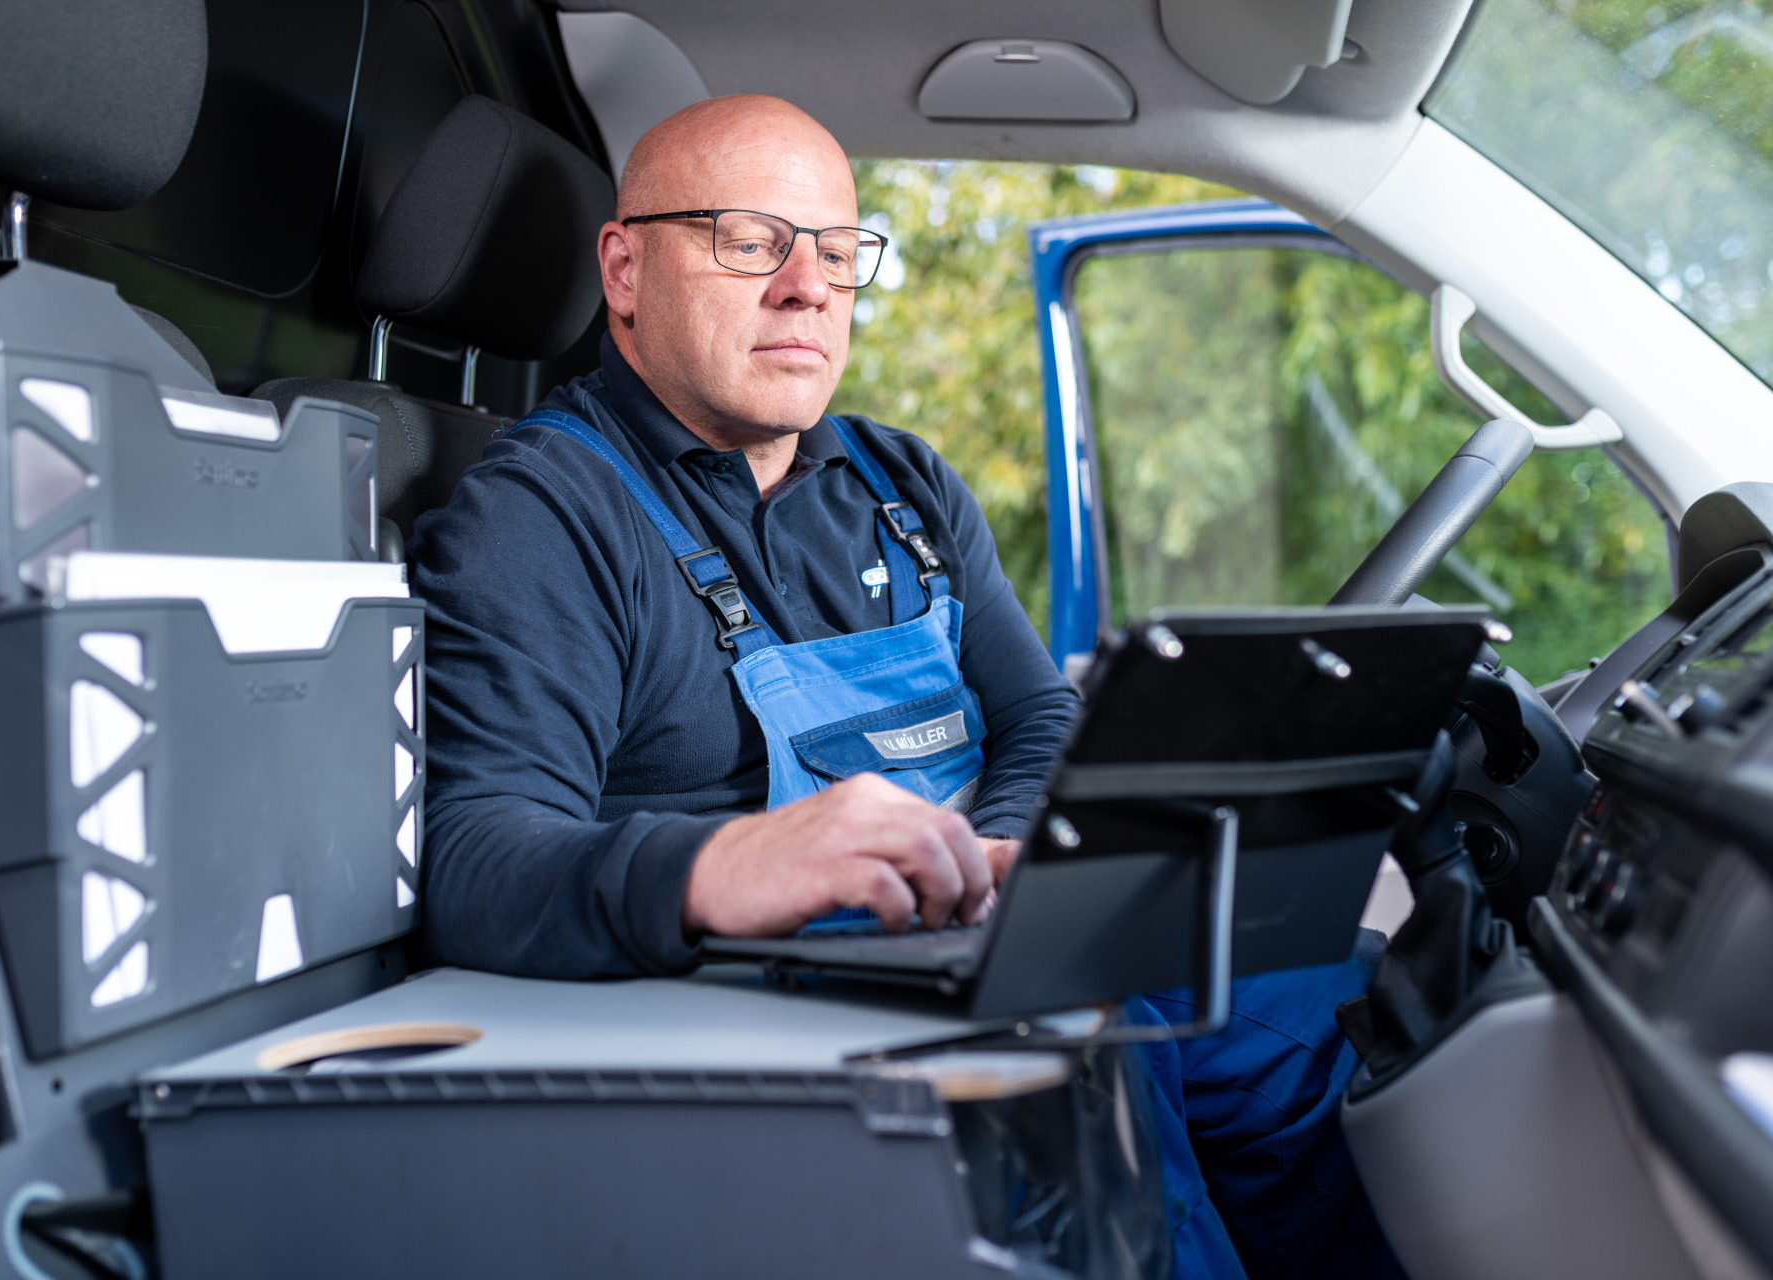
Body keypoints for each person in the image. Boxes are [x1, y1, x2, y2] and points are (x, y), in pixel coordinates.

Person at [410, 95, 1402, 1280]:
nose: (806, 287)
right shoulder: (544, 514)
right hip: (758, 1000)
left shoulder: (904, 482)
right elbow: (472, 857)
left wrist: (996, 857)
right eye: (748, 240)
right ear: (625, 267)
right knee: (1097, 1038)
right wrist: (727, 863)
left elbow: (1040, 714)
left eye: (837, 251)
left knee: (1316, 995)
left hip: (963, 942)